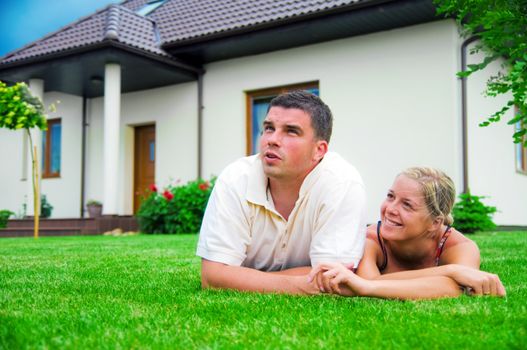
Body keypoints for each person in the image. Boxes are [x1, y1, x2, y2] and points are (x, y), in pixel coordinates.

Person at [196, 90, 367, 294]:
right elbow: (212, 276)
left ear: (319, 150)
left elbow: (333, 280)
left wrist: (237, 277)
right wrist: (305, 283)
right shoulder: (236, 178)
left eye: (291, 131)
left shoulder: (342, 182)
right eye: (269, 128)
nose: (273, 139)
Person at [309, 167, 506, 299]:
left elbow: (453, 288)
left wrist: (366, 287)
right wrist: (451, 271)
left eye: (407, 205)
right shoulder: (371, 238)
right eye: (390, 196)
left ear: (435, 222)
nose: (391, 209)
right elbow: (369, 280)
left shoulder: (458, 246)